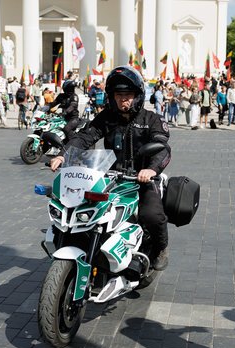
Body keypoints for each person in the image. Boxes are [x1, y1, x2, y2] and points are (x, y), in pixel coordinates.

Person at [50, 66, 171, 271]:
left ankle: (160, 248)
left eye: (128, 95)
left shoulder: (152, 120)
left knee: (152, 215)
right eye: (119, 95)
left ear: (138, 96)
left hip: (141, 180)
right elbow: (84, 137)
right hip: (109, 178)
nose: (123, 100)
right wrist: (64, 154)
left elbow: (163, 148)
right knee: (80, 207)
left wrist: (151, 170)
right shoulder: (106, 117)